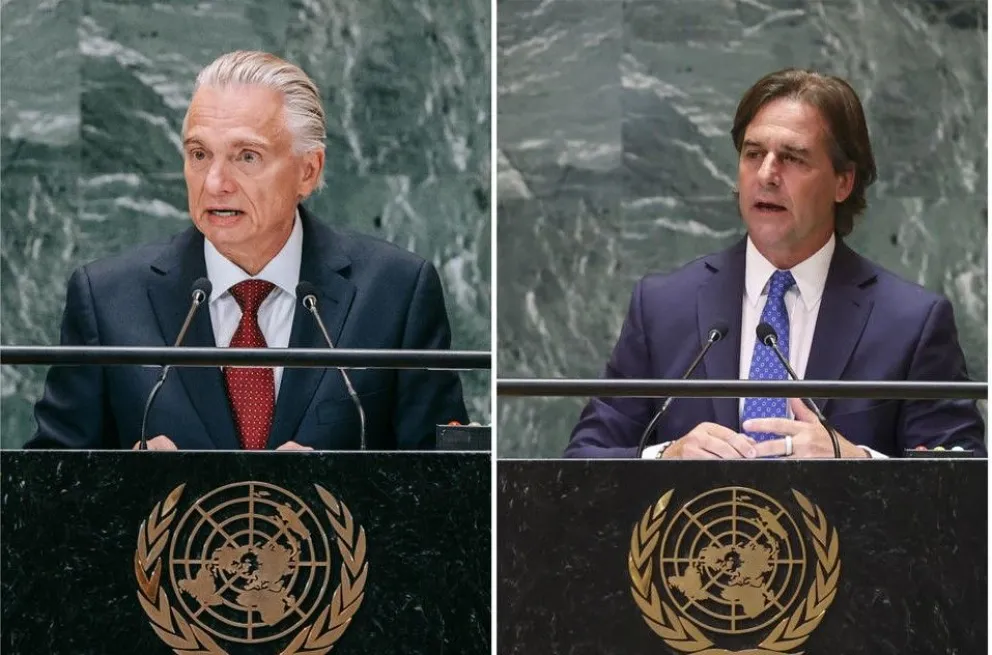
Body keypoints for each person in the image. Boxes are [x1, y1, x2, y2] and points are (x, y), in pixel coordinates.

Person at [28, 50, 468, 450]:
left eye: (247, 157)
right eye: (199, 154)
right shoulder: (107, 299)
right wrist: (126, 486)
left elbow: (450, 495)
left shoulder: (395, 292)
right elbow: (44, 492)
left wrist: (343, 493)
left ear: (308, 171)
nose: (215, 182)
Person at [565, 68, 984, 459]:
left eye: (793, 157)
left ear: (843, 181)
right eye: (753, 154)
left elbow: (964, 484)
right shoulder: (662, 307)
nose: (766, 174)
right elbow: (583, 460)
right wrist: (662, 456)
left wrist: (856, 460)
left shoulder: (911, 323)